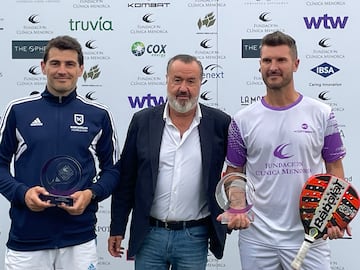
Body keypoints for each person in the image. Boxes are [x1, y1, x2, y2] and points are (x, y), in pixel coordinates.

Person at [218, 31, 348, 270]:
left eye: (281, 60)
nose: (273, 67)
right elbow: (234, 173)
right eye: (267, 60)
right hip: (258, 240)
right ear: (260, 66)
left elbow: (334, 169)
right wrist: (237, 206)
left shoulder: (322, 113)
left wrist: (334, 214)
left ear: (296, 64)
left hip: (309, 237)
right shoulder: (242, 120)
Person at [0, 35, 120, 270]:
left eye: (69, 64)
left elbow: (113, 170)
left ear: (81, 69)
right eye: (55, 63)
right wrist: (22, 194)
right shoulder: (18, 111)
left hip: (79, 239)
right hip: (27, 238)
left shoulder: (98, 115)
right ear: (43, 67)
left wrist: (91, 194)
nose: (62, 70)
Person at [108, 54, 231, 270]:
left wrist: (235, 210)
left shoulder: (219, 123)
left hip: (194, 237)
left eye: (191, 81)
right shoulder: (143, 121)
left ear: (201, 83)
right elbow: (127, 179)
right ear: (167, 80)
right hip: (149, 235)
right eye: (177, 80)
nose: (183, 88)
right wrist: (117, 228)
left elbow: (235, 171)